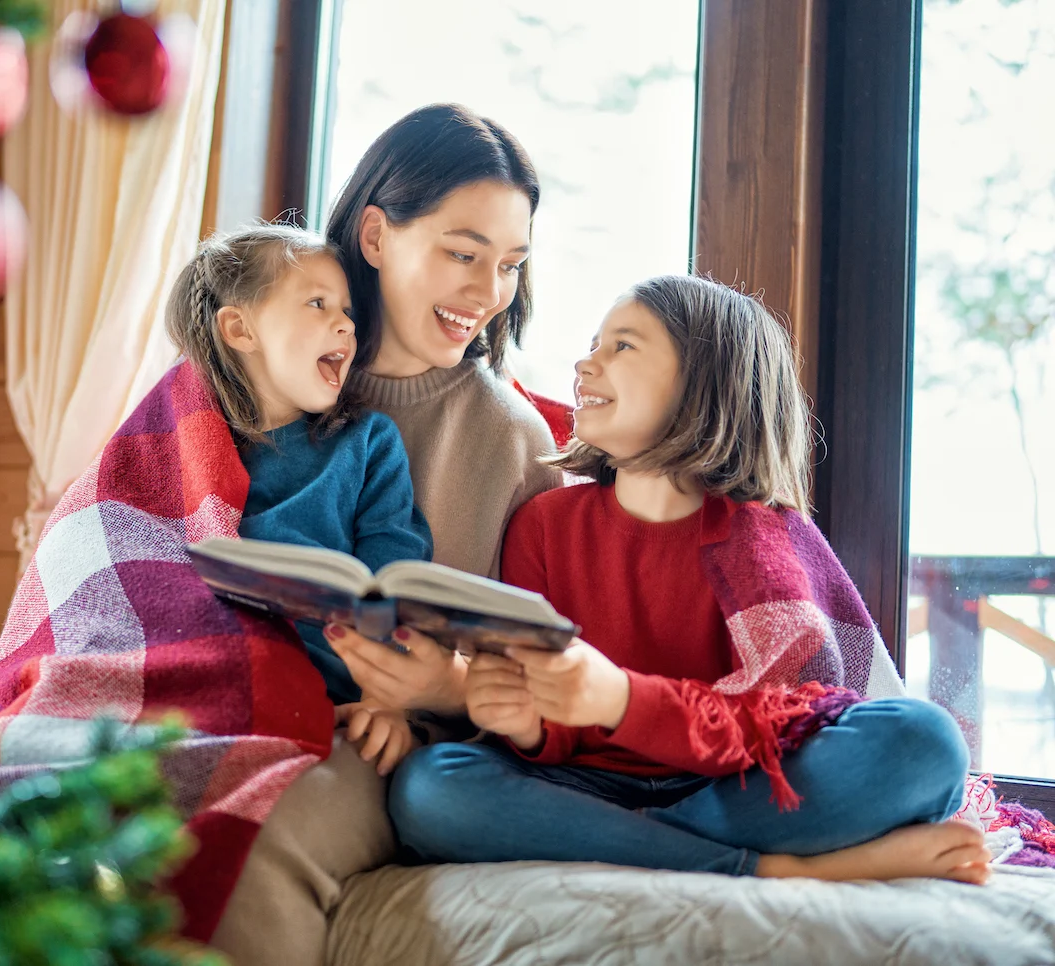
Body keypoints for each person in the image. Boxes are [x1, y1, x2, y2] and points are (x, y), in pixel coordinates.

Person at [387, 274, 991, 886]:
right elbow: (546, 717)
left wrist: (623, 700)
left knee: (926, 742)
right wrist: (529, 723)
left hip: (731, 782)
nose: (585, 362)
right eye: (595, 343)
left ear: (706, 383)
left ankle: (630, 845)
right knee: (428, 788)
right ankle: (772, 866)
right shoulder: (544, 524)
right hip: (583, 782)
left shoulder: (766, 541)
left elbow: (780, 718)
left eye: (621, 346)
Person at [210, 105, 563, 965]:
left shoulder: (513, 440)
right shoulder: (260, 377)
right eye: (463, 252)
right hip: (220, 694)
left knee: (255, 834)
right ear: (375, 235)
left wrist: (437, 688)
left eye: (509, 265)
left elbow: (545, 670)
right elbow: (152, 527)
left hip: (376, 743)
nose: (488, 293)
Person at [165, 222, 434, 773]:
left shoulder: (366, 442)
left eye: (348, 312)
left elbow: (396, 576)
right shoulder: (179, 438)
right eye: (317, 303)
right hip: (200, 673)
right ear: (241, 329)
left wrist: (388, 698)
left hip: (327, 691)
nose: (345, 324)